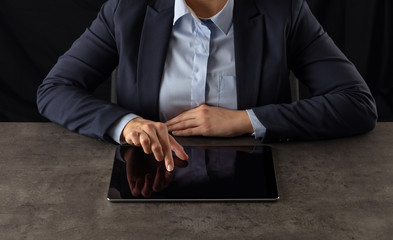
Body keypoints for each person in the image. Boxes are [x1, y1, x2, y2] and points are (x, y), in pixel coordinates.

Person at [37, 0, 378, 172]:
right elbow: (55, 89)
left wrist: (246, 120)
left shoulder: (283, 10)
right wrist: (128, 124)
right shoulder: (127, 9)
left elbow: (356, 103)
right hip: (147, 182)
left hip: (255, 186)